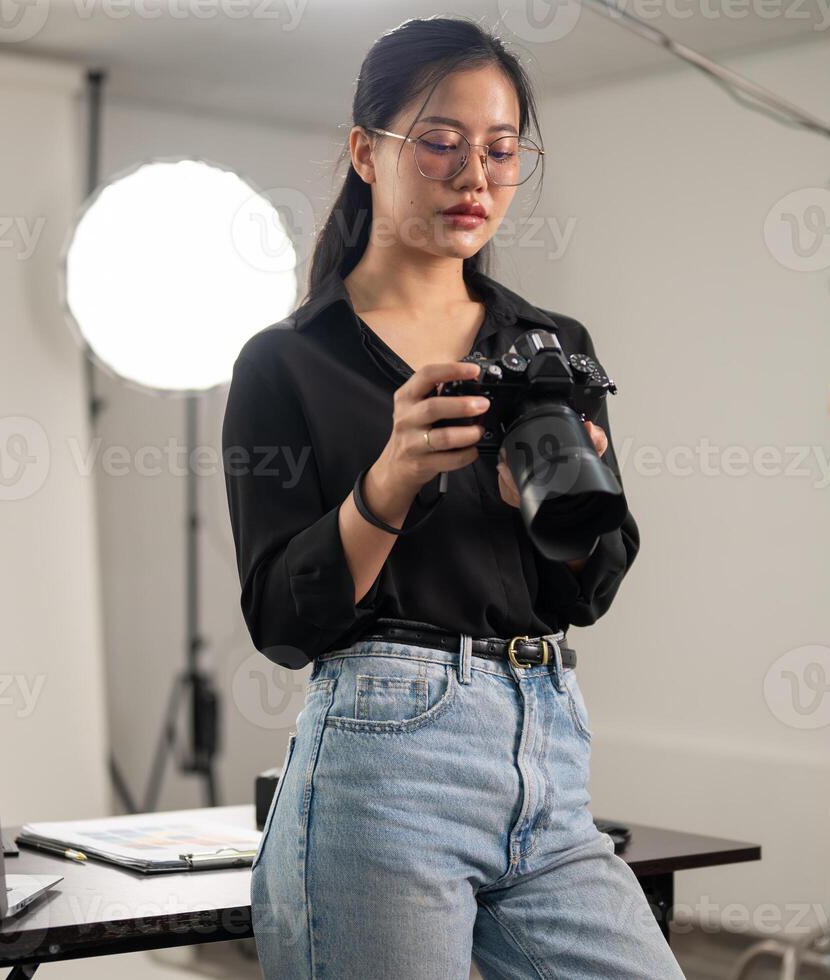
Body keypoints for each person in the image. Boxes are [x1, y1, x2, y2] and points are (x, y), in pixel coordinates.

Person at [221, 15, 683, 980]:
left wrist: (547, 518)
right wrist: (389, 478)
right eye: (439, 142)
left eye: (501, 149)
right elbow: (280, 618)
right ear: (365, 152)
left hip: (547, 748)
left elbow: (587, 589)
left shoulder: (550, 344)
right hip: (382, 764)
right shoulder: (289, 362)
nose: (474, 176)